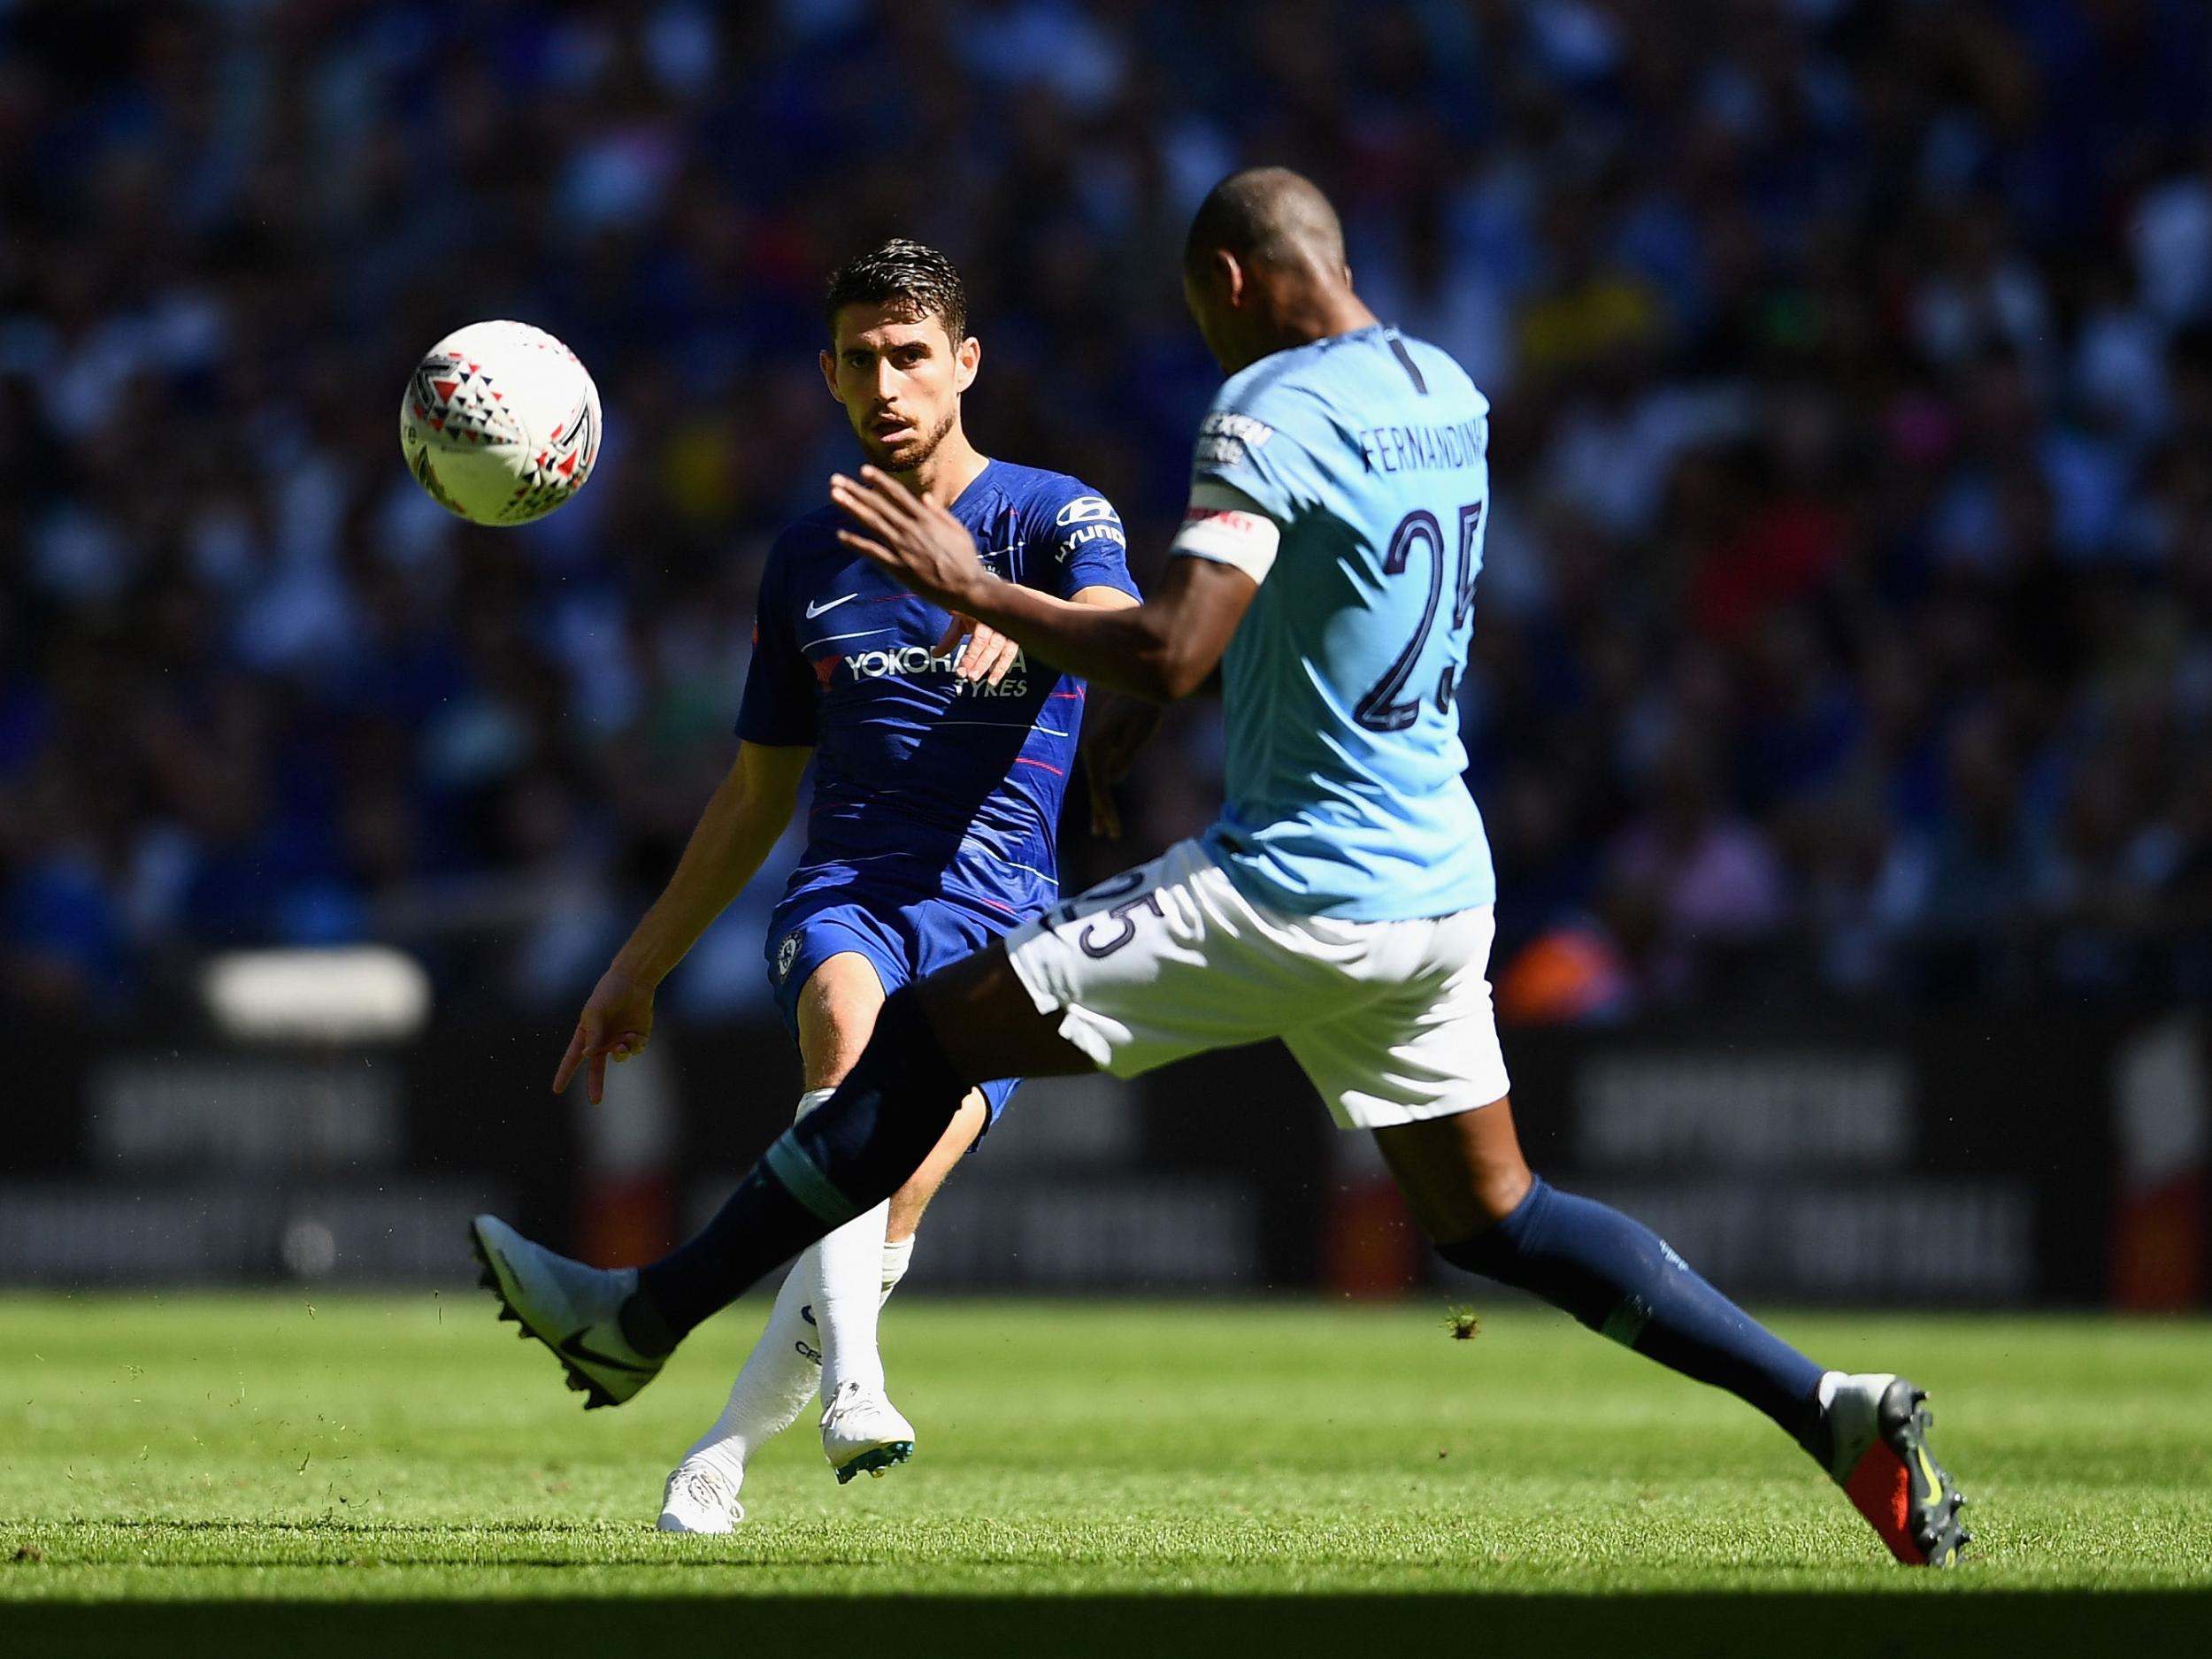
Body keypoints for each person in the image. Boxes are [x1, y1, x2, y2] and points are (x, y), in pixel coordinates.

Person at [473, 172, 1971, 1568]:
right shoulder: (1447, 389)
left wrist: (976, 585)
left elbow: (1179, 648)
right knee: (1497, 1220)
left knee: (921, 1038)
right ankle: (1825, 1404)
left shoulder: (1264, 411)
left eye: (1200, 311)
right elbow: (1303, 609)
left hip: (1293, 879)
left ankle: (644, 1319)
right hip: (1439, 885)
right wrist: (1110, 734)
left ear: (1235, 283)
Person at [531, 239, 1139, 1534]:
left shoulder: (1054, 514)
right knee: (843, 1034)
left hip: (1006, 924)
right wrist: (636, 966)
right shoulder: (809, 556)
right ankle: (859, 1387)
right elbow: (755, 795)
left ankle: (722, 1447)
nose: (888, 380)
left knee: (882, 1205)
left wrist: (1002, 603)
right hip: (850, 891)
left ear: (965, 364)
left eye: (912, 354)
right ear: (827, 375)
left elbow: (1129, 629)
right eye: (860, 358)